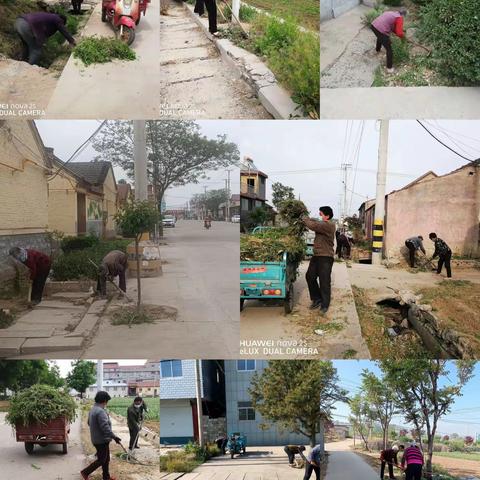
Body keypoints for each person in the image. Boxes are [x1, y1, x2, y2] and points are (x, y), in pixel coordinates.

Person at [302, 206, 336, 314]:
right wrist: (308, 218)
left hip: (326, 257)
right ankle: (316, 299)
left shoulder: (329, 225)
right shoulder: (323, 224)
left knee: (324, 281)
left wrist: (304, 218)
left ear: (327, 216)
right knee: (310, 276)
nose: (320, 216)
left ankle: (324, 305)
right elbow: (315, 222)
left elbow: (313, 225)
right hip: (317, 255)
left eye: (321, 214)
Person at [81, 391, 121, 480]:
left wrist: (96, 429)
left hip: (97, 439)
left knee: (106, 459)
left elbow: (89, 423)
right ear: (104, 400)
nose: (107, 403)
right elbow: (105, 428)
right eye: (107, 401)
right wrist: (114, 437)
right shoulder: (100, 411)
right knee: (101, 460)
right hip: (101, 440)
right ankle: (85, 472)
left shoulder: (93, 409)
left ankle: (106, 477)